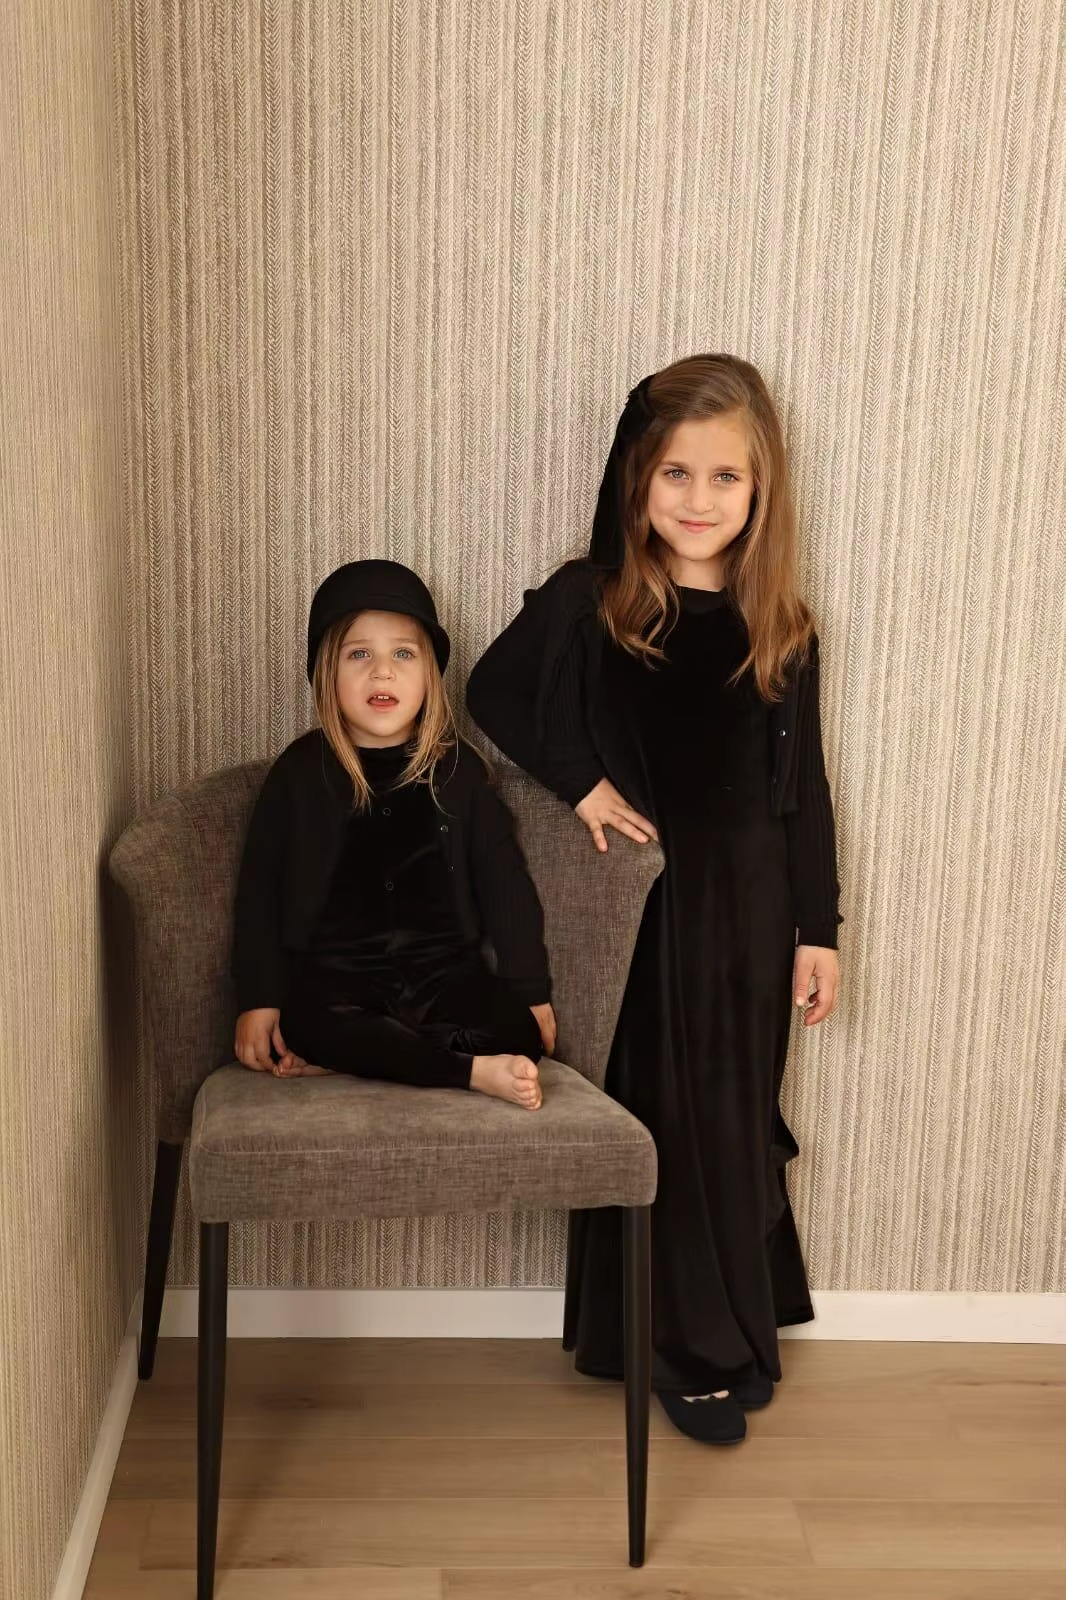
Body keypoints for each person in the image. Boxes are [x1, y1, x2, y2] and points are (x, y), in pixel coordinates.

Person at [466, 353, 843, 1440]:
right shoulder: (593, 603)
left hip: (751, 919)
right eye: (675, 473)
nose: (697, 499)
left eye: (725, 477)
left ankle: (738, 1325)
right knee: (665, 1122)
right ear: (638, 478)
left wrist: (817, 928)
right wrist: (581, 782)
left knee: (731, 1119)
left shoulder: (783, 628)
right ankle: (686, 1352)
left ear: (761, 489)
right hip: (648, 921)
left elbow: (803, 792)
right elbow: (491, 691)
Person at [232, 558, 555, 1110]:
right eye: (359, 654)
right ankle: (467, 1073)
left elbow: (505, 883)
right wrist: (259, 999)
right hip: (339, 983)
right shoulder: (300, 773)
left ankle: (368, 1057)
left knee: (519, 1033)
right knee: (305, 1024)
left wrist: (531, 990)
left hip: (443, 979)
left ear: (430, 674)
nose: (382, 673)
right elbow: (260, 890)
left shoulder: (458, 772)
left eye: (403, 654)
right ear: (327, 673)